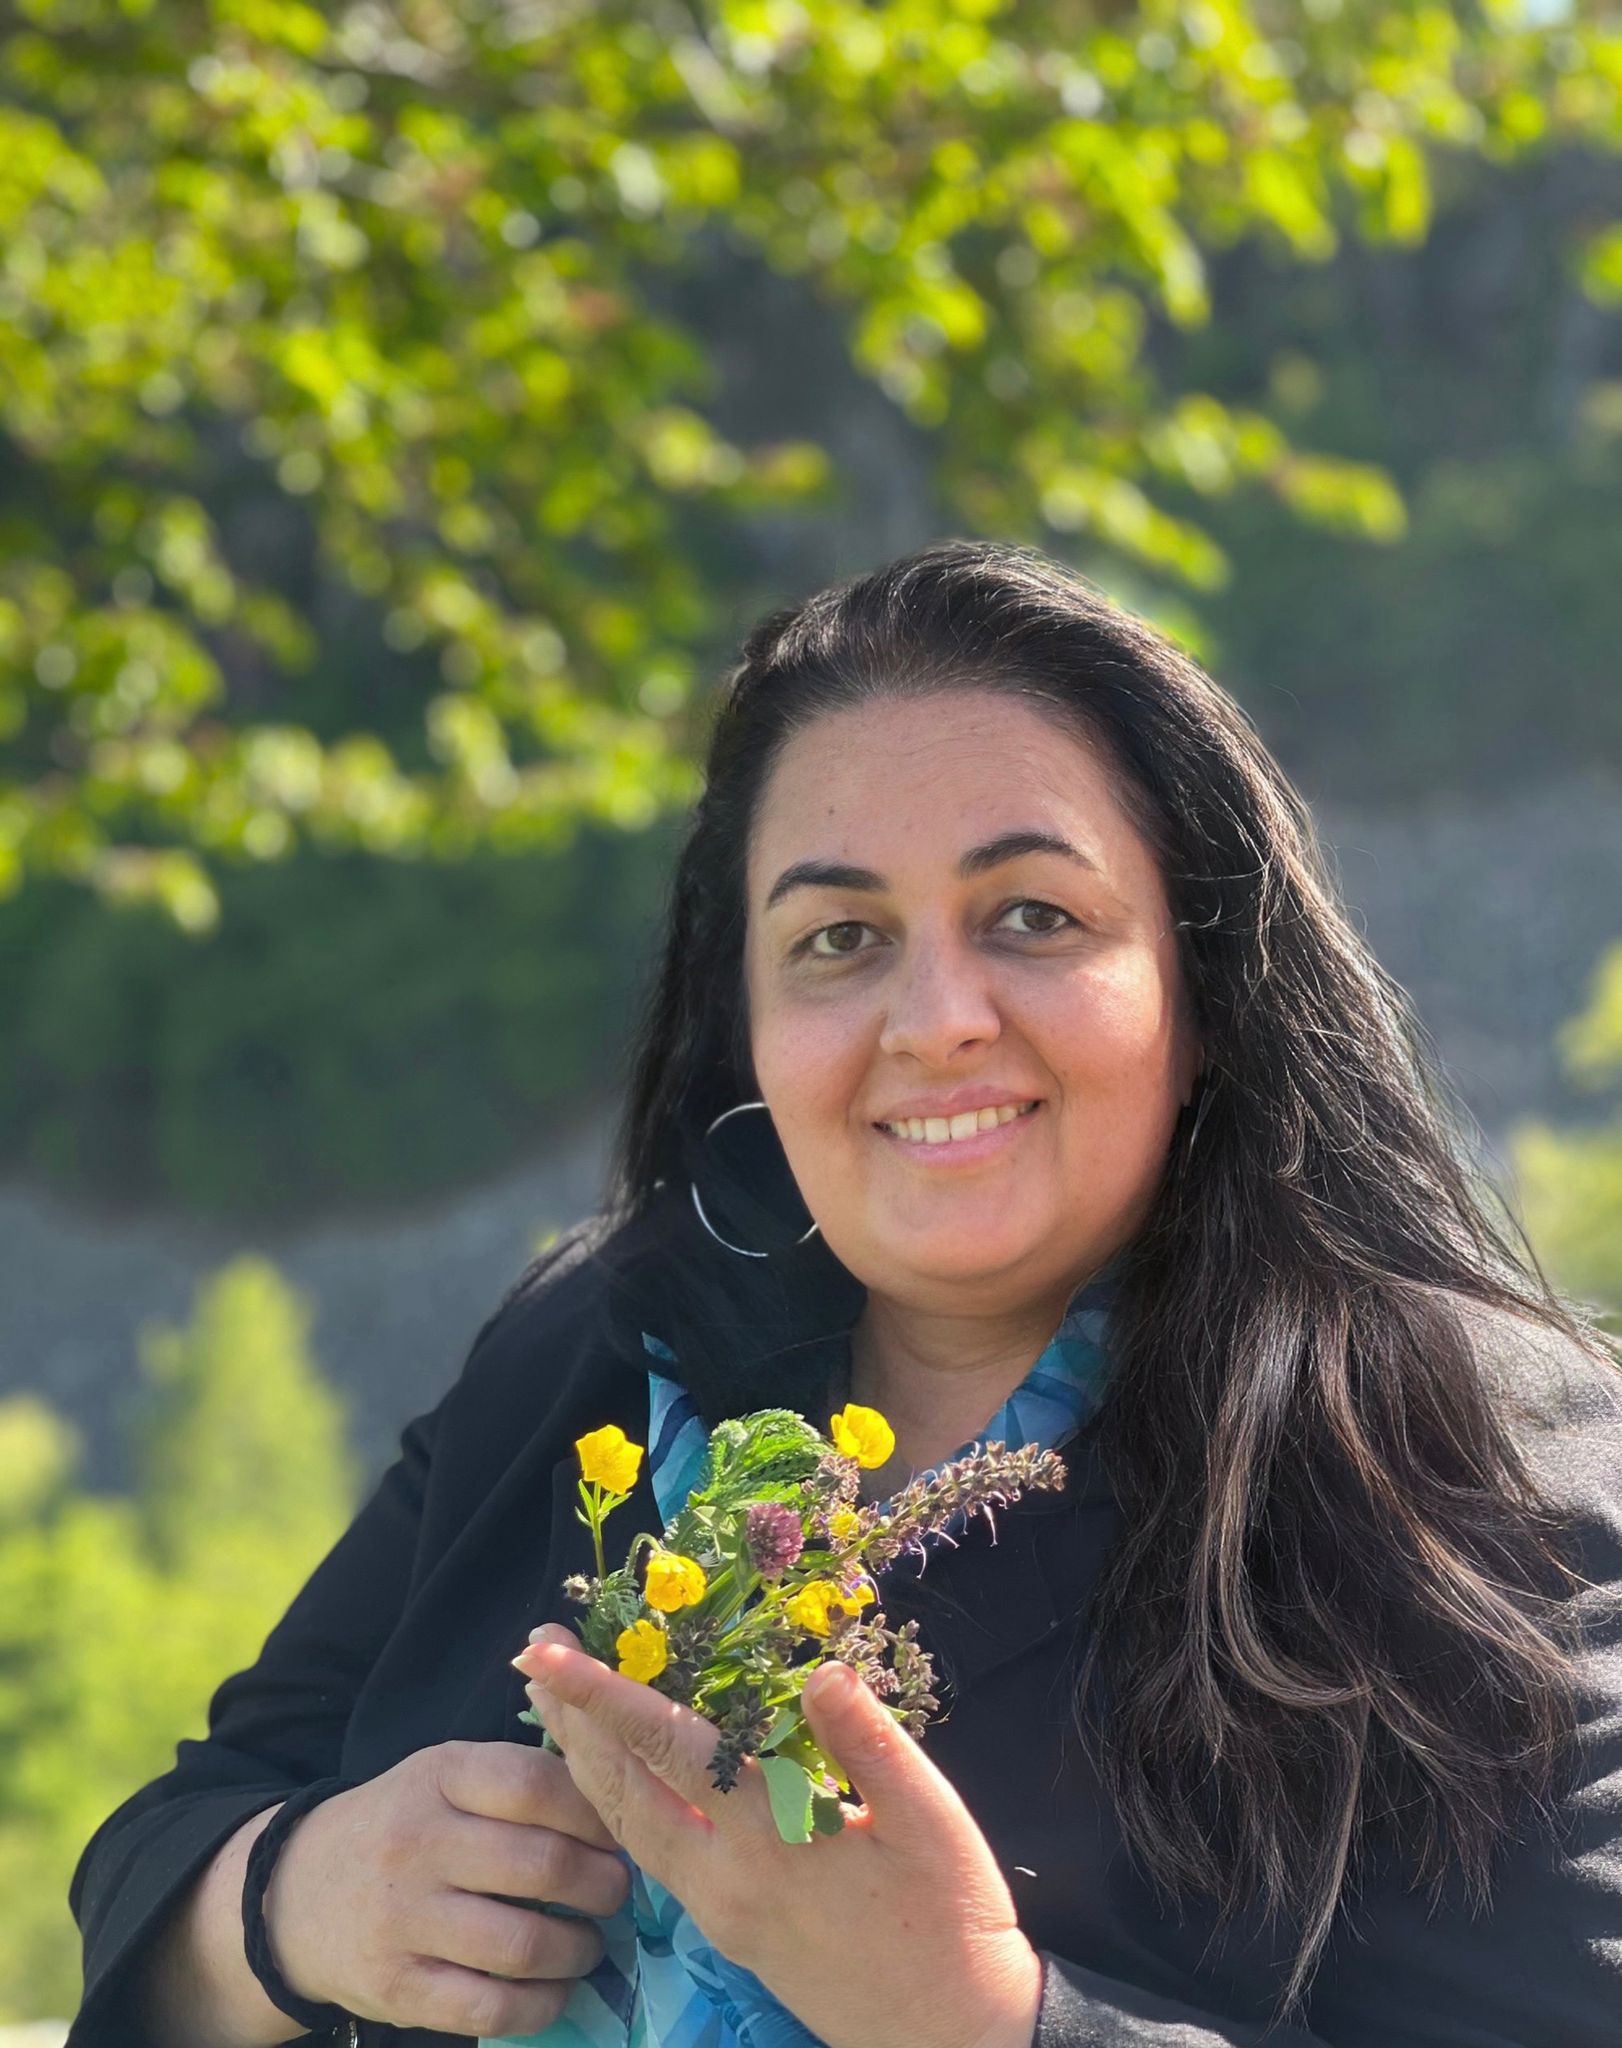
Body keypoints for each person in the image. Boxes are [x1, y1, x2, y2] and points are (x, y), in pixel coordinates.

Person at [68, 540, 1622, 2048]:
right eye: (838, 939)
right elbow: (183, 1830)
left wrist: (978, 2019)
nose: (935, 1019)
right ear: (745, 1020)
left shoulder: (1475, 1461)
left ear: (1202, 987)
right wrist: (285, 1902)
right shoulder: (599, 1341)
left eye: (1034, 916)